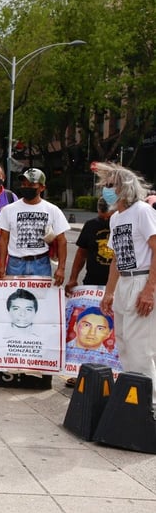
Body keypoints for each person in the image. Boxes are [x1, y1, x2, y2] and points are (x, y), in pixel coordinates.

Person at [97, 161, 156, 405]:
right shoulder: (116, 218)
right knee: (123, 342)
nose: (105, 189)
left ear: (124, 187)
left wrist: (150, 290)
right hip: (125, 282)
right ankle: (134, 397)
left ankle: (149, 402)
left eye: (110, 185)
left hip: (142, 279)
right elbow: (116, 260)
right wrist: (109, 293)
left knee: (140, 346)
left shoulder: (142, 211)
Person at [0, 168, 70, 284]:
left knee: (41, 300)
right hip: (15, 264)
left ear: (42, 187)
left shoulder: (53, 210)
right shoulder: (8, 210)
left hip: (41, 263)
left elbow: (62, 241)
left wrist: (61, 268)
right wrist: (1, 266)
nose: (26, 187)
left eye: (31, 185)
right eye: (24, 184)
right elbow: (3, 240)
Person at [66, 197, 114, 294]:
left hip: (117, 284)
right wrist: (73, 278)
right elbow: (81, 254)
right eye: (102, 218)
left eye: (109, 218)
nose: (105, 220)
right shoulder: (91, 225)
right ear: (98, 210)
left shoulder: (123, 226)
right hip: (92, 282)